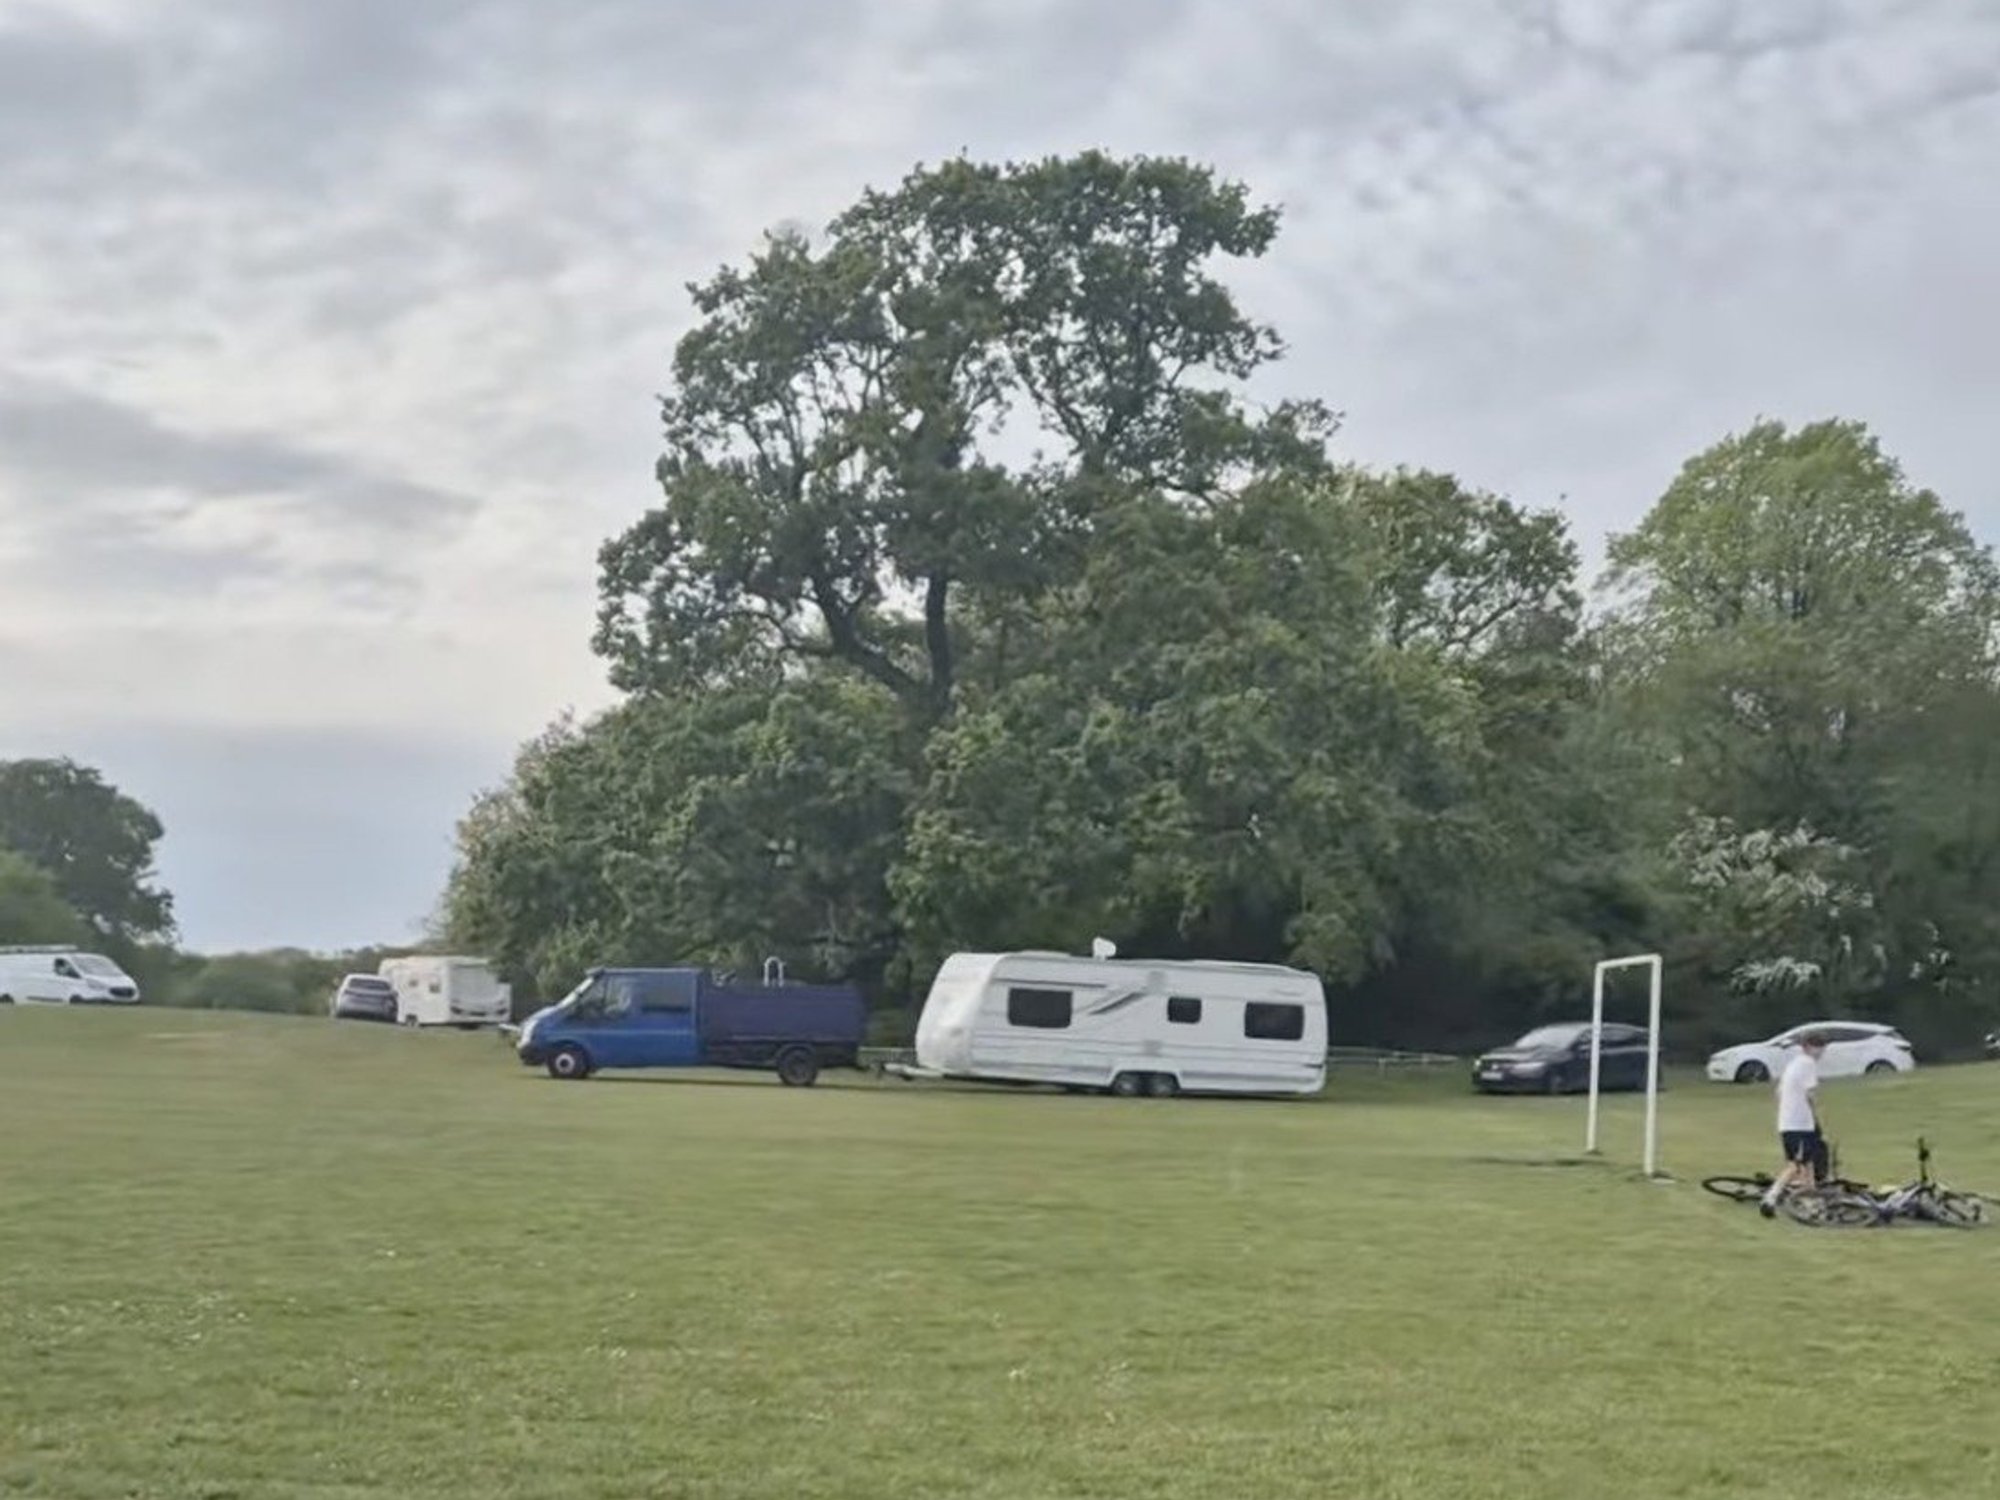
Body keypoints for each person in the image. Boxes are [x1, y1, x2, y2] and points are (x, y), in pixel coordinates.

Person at [1760, 1031, 1829, 1217]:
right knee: (1796, 1166)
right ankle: (1771, 1197)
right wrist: (1816, 1115)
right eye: (1818, 1048)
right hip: (1799, 1123)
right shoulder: (1808, 1064)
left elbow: (1779, 1093)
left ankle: (1812, 1203)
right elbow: (1810, 1093)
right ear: (1808, 1047)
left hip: (1790, 1122)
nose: (1821, 1052)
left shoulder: (1794, 1064)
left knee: (1808, 1164)